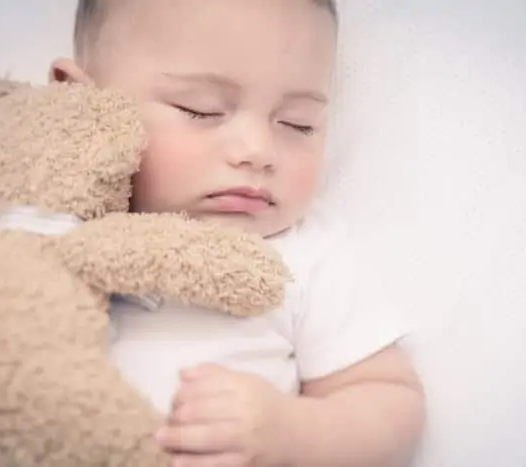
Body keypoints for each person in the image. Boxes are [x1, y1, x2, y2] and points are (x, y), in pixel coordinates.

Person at [49, 0, 425, 465]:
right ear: (79, 105)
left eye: (297, 124)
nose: (258, 151)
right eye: (201, 110)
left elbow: (388, 399)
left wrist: (294, 434)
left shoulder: (300, 254)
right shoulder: (25, 229)